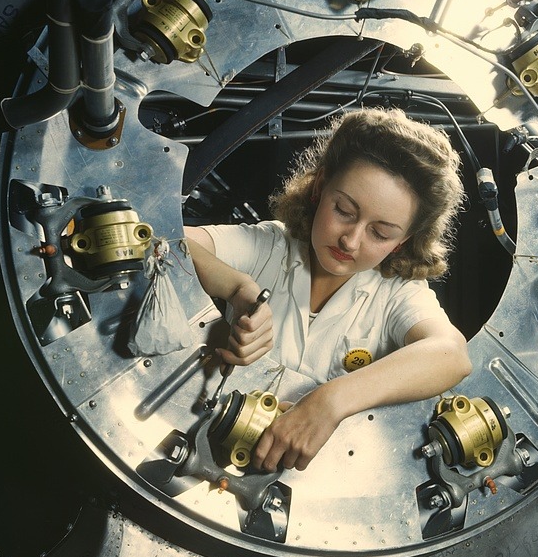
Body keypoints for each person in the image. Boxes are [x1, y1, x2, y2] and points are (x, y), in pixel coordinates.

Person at [184, 107, 472, 472]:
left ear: (403, 242)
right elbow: (169, 241)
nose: (351, 240)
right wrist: (240, 287)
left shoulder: (399, 292)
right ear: (320, 188)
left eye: (380, 233)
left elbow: (451, 354)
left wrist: (330, 402)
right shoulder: (271, 246)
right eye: (345, 210)